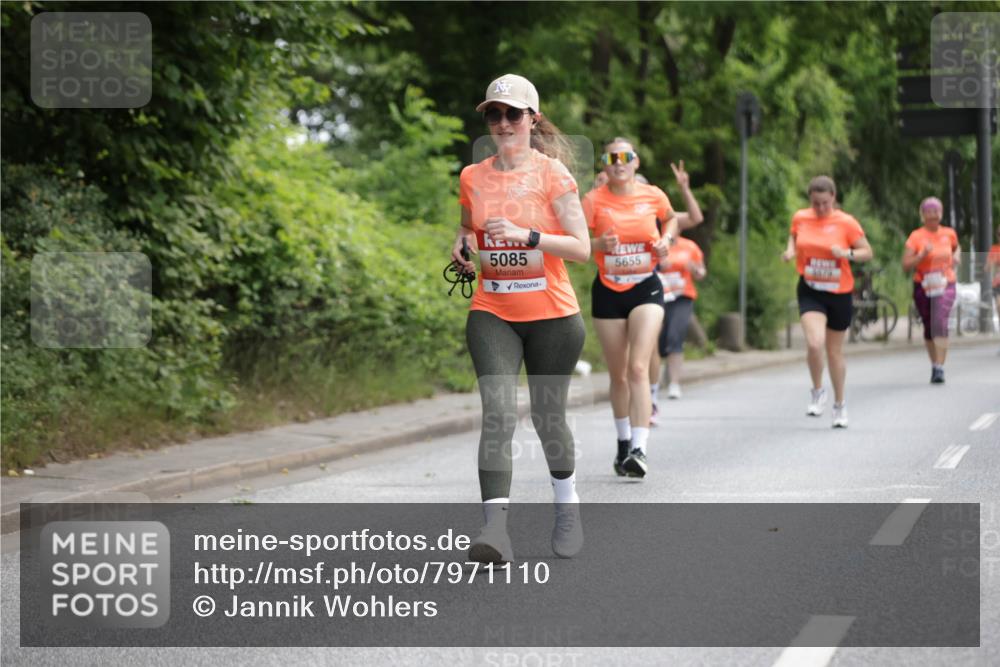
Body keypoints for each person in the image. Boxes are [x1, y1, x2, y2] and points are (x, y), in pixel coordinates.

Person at [451, 74, 590, 564]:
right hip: (493, 310)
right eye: (494, 114)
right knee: (498, 414)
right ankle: (495, 531)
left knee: (549, 419)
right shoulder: (473, 176)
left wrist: (526, 235)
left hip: (553, 315)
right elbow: (468, 226)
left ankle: (567, 507)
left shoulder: (554, 175)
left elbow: (581, 247)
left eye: (513, 113)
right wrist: (463, 246)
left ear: (533, 118)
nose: (503, 122)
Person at [582, 138, 678, 477]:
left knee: (638, 368)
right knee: (618, 374)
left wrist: (665, 240)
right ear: (605, 165)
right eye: (611, 158)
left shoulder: (653, 195)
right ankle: (622, 442)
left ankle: (639, 448)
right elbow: (573, 242)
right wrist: (597, 243)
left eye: (625, 157)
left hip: (645, 286)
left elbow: (671, 220)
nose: (618, 162)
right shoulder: (592, 200)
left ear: (635, 162)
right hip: (608, 290)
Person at [781, 176, 873, 428]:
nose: (820, 208)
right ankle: (817, 390)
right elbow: (793, 235)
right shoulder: (801, 217)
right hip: (811, 289)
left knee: (834, 352)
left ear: (833, 197)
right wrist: (790, 251)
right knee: (814, 343)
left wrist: (847, 253)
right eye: (815, 203)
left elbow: (867, 252)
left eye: (824, 203)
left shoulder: (846, 222)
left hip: (839, 291)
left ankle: (840, 405)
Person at [647, 161, 705, 418]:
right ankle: (652, 386)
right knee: (654, 341)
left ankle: (675, 383)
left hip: (681, 295)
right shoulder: (648, 224)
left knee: (675, 335)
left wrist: (684, 188)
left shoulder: (687, 243)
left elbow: (696, 217)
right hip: (654, 292)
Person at [902, 197, 961, 383]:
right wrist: (921, 255)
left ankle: (939, 367)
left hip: (946, 282)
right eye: (929, 211)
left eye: (936, 211)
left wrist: (956, 256)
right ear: (923, 215)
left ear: (941, 213)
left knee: (940, 321)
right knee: (929, 325)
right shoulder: (916, 236)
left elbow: (957, 247)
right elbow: (905, 265)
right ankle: (935, 363)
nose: (933, 215)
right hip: (923, 284)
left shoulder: (949, 233)